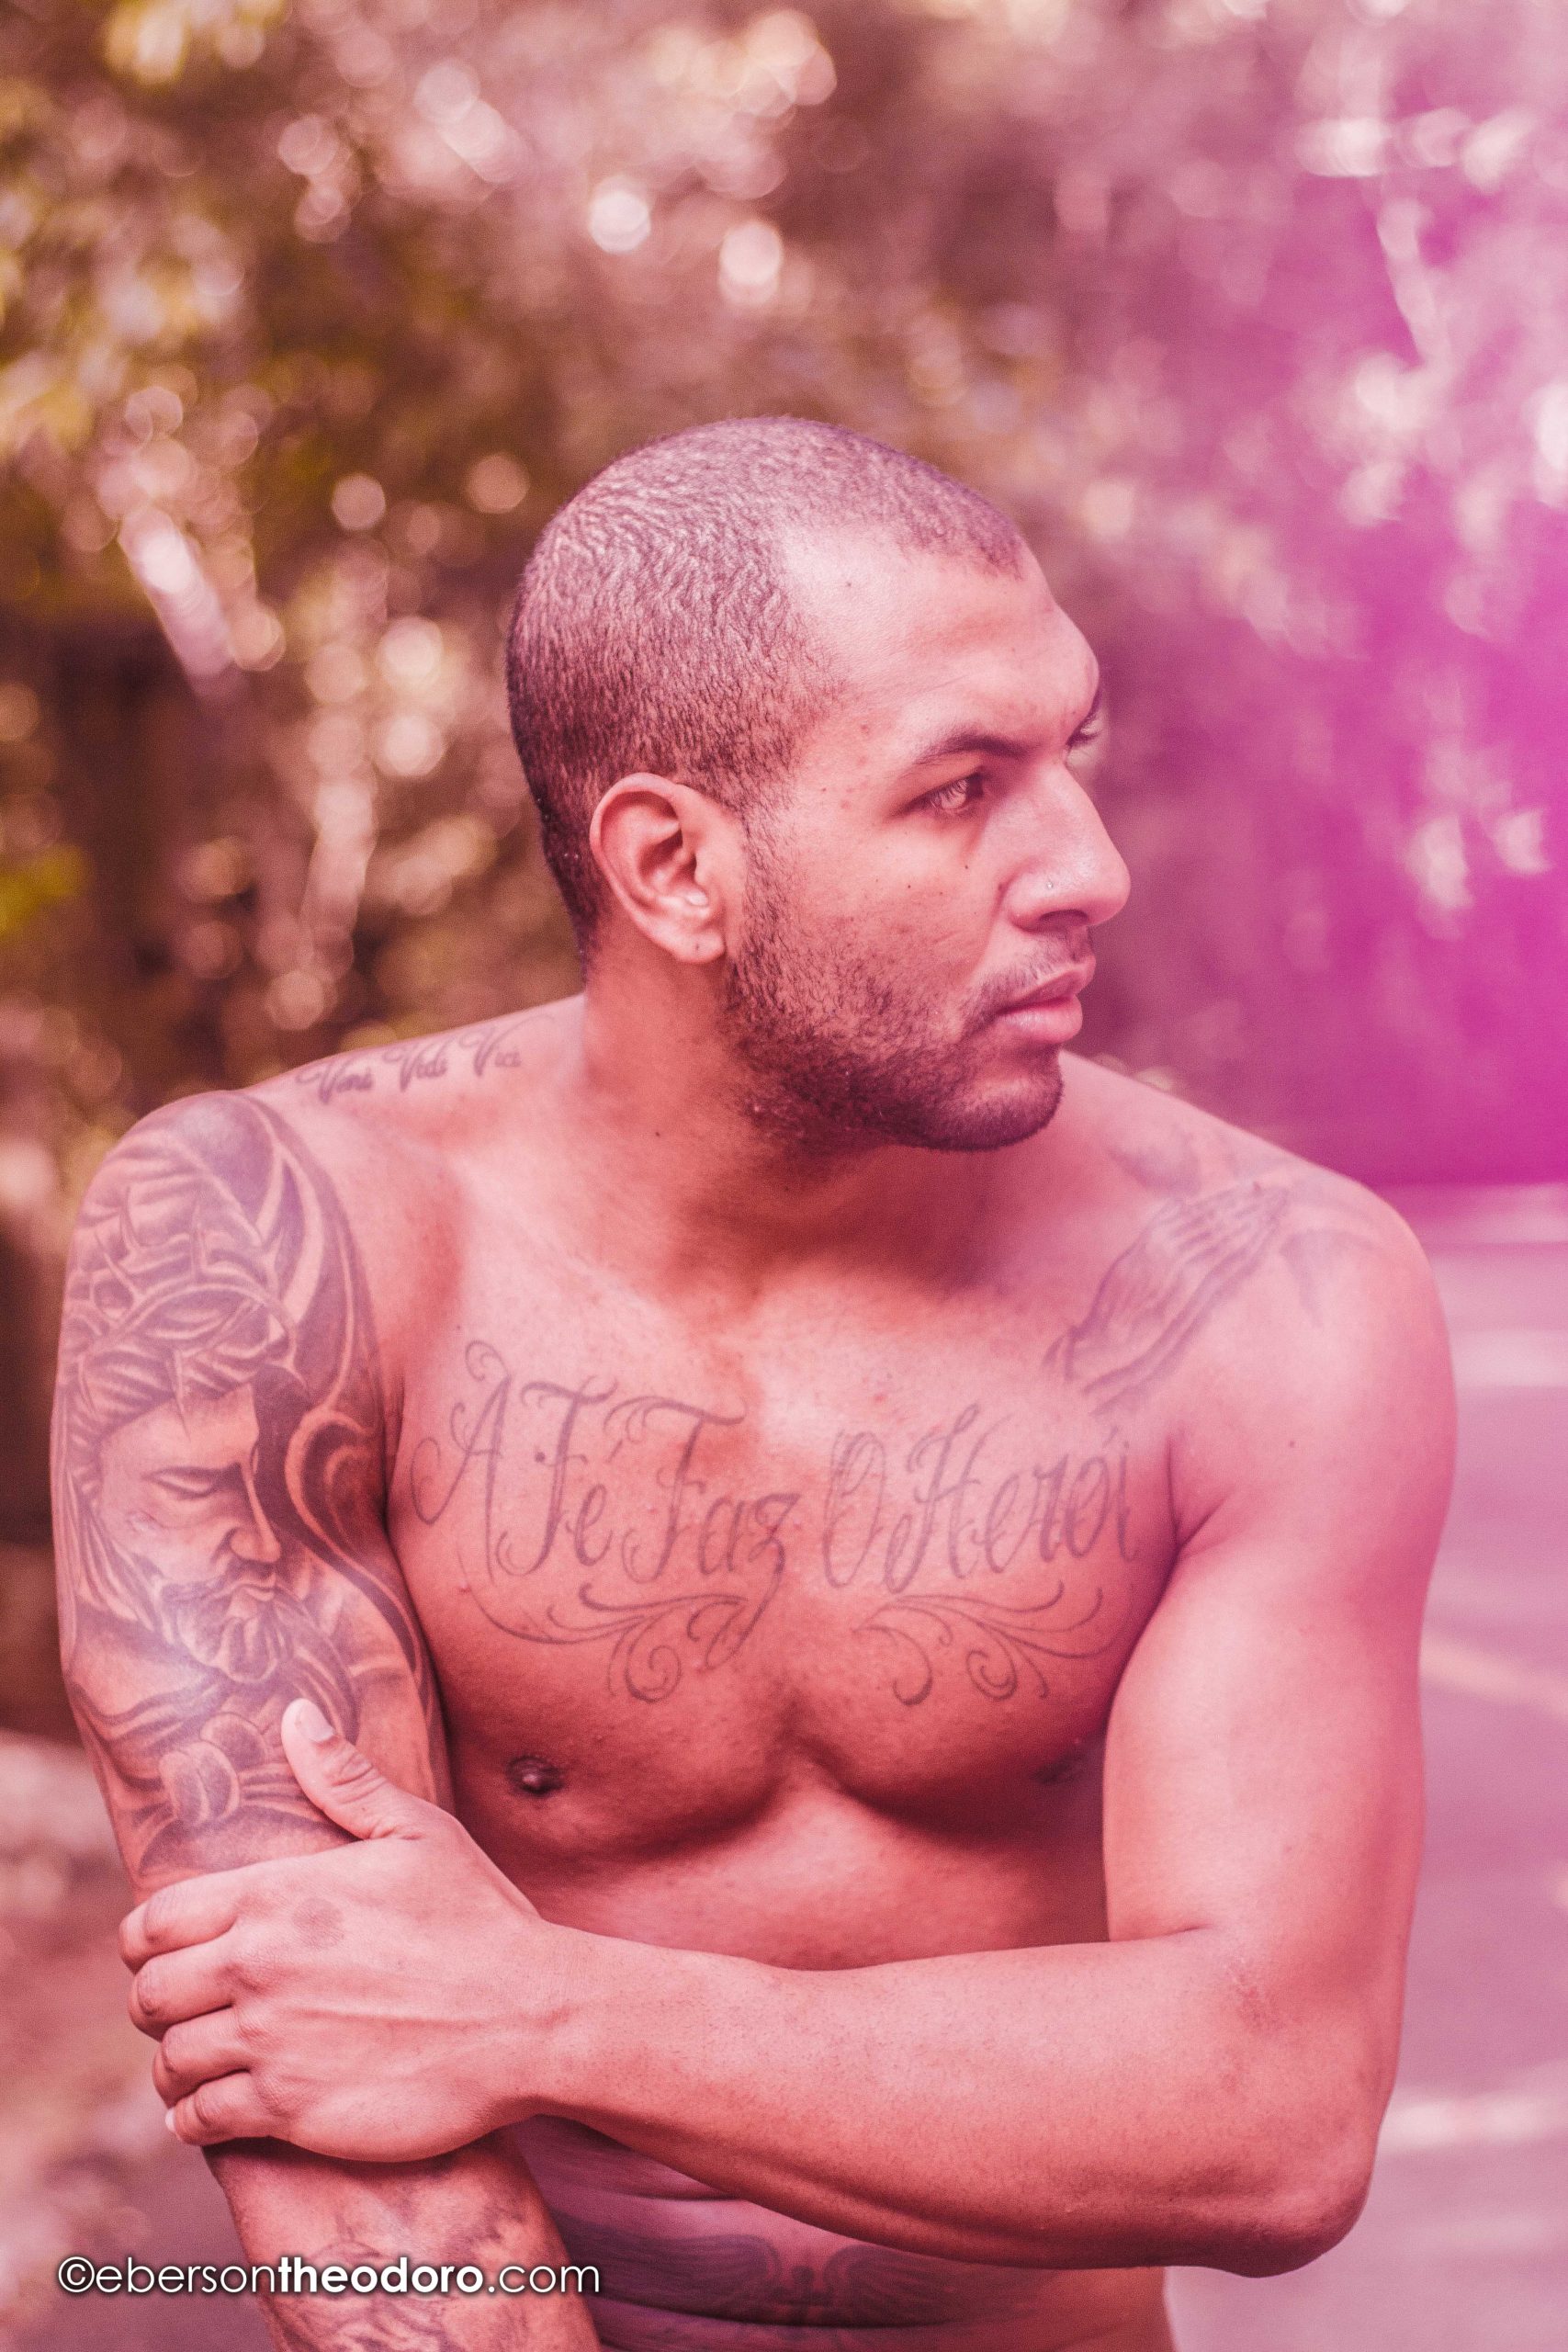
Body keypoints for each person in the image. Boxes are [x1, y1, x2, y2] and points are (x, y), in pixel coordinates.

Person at [55, 418, 1455, 2352]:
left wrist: (547, 2009)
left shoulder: (1266, 1301)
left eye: (1074, 754)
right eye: (959, 789)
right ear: (674, 867)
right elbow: (323, 2060)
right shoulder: (279, 1248)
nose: (1089, 868)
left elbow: (1276, 2116)